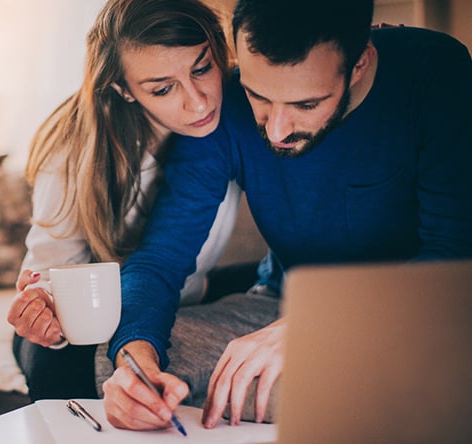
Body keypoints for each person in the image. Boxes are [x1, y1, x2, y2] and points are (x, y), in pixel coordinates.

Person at [102, 0, 472, 431]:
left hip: (420, 312)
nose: (276, 130)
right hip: (280, 304)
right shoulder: (223, 104)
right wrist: (135, 359)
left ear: (359, 64)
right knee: (123, 368)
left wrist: (319, 327)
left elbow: (454, 257)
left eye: (306, 104)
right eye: (257, 95)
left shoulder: (432, 70)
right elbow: (161, 257)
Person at [6, 0, 246, 401]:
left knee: (300, 289)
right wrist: (42, 311)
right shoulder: (76, 147)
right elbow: (51, 270)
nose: (199, 101)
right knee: (62, 367)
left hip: (189, 291)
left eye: (202, 68)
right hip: (89, 318)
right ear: (124, 90)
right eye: (163, 88)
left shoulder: (245, 109)